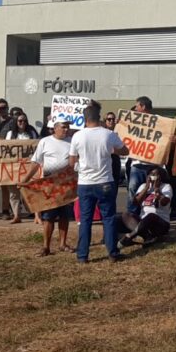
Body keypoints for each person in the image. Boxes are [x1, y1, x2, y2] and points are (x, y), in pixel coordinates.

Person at [69, 104, 130, 263]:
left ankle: (82, 255)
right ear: (100, 117)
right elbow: (125, 151)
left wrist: (79, 166)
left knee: (85, 220)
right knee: (108, 218)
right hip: (105, 181)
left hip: (85, 183)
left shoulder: (77, 136)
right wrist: (112, 150)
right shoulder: (108, 134)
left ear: (84, 119)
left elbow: (71, 161)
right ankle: (112, 253)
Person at [31, 120, 74, 256]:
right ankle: (46, 246)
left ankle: (63, 243)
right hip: (50, 183)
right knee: (49, 216)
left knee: (65, 214)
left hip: (66, 182)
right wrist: (26, 179)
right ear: (55, 128)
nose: (66, 129)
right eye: (63, 127)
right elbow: (36, 162)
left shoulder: (72, 141)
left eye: (67, 127)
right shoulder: (45, 141)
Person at [119, 166, 173, 248]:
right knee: (125, 215)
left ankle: (129, 236)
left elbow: (164, 202)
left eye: (156, 174)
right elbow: (136, 202)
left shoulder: (166, 186)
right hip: (143, 221)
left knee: (151, 215)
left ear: (161, 176)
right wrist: (146, 187)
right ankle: (147, 237)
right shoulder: (143, 186)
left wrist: (157, 190)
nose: (153, 176)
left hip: (160, 222)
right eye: (151, 174)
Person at [126, 96, 160, 219]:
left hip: (152, 165)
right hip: (136, 164)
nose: (135, 108)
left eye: (137, 106)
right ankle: (132, 215)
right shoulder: (133, 121)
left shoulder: (159, 122)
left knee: (151, 190)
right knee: (133, 190)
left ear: (143, 106)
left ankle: (149, 214)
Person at [3, 111, 38, 224]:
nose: (22, 123)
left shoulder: (31, 132)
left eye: (24, 121)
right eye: (20, 121)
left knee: (31, 191)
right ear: (16, 122)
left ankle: (36, 214)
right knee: (13, 193)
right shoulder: (10, 134)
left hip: (28, 167)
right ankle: (16, 215)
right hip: (13, 168)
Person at [103, 111, 123, 185]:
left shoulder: (120, 131)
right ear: (105, 121)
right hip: (105, 160)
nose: (111, 121)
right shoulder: (102, 132)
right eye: (109, 119)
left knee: (114, 183)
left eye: (113, 119)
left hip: (115, 159)